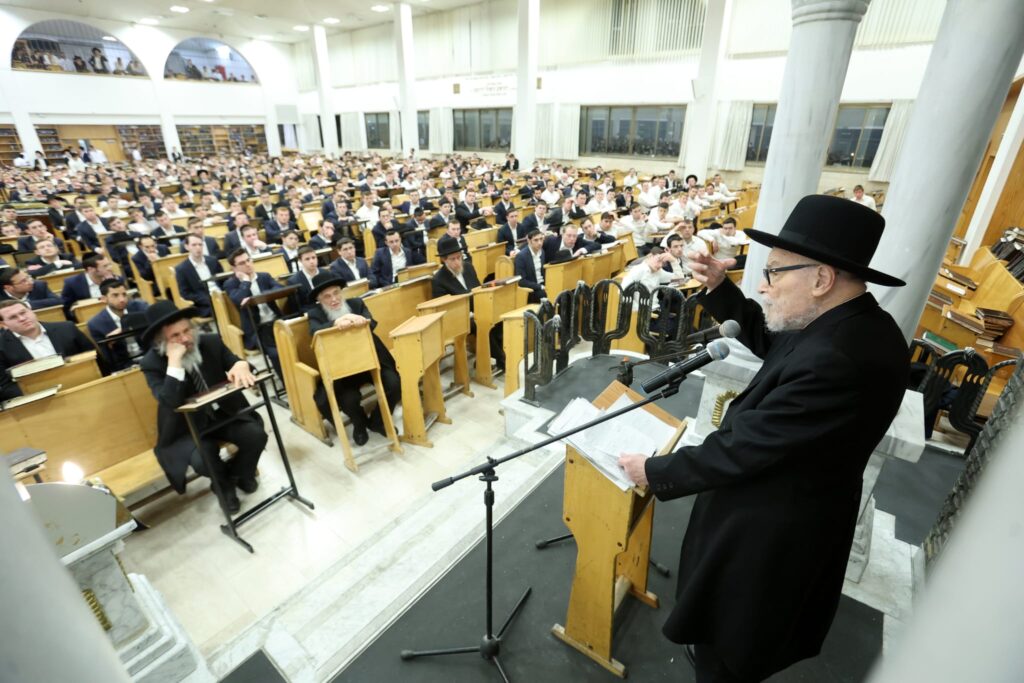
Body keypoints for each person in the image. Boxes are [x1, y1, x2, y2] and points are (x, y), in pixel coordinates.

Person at [617, 195, 910, 683]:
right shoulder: (846, 322)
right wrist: (720, 289)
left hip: (771, 539)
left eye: (774, 273)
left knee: (731, 651)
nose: (763, 285)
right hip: (778, 515)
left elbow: (745, 447)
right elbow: (780, 345)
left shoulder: (841, 359)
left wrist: (654, 471)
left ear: (821, 279)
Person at [138, 301, 266, 514]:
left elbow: (237, 364)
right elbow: (169, 401)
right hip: (186, 428)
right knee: (203, 460)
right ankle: (224, 488)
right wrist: (174, 363)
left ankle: (234, 476)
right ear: (162, 342)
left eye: (187, 330)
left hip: (223, 414)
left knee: (256, 435)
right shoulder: (151, 364)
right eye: (175, 336)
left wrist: (242, 364)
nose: (185, 339)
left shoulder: (210, 342)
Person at [307, 273, 401, 446]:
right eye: (327, 296)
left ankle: (378, 421)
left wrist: (357, 319)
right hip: (344, 369)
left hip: (372, 359)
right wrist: (337, 322)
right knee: (349, 400)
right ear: (319, 300)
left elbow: (371, 323)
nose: (334, 299)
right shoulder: (315, 314)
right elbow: (315, 332)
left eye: (336, 293)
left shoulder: (356, 303)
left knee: (394, 384)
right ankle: (360, 424)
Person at [432, 236, 504, 371]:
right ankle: (501, 359)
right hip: (457, 318)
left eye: (459, 257)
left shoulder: (468, 267)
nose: (458, 262)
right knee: (482, 323)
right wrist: (471, 313)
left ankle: (492, 355)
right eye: (452, 259)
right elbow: (444, 309)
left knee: (498, 316)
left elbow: (479, 290)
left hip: (477, 309)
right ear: (443, 260)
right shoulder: (439, 280)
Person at [0, 300, 94, 401]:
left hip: (83, 386)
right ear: (3, 324)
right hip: (40, 401)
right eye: (13, 317)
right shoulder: (2, 346)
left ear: (31, 311)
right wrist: (39, 392)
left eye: (23, 312)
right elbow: (5, 386)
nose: (22, 318)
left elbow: (94, 358)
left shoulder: (67, 328)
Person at [223, 250, 282, 378]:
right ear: (234, 268)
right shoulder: (231, 284)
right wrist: (245, 282)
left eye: (248, 260)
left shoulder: (264, 276)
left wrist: (258, 297)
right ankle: (289, 385)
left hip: (276, 322)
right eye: (242, 263)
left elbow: (279, 288)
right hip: (257, 329)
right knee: (276, 354)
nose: (248, 264)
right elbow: (238, 299)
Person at [86, 279, 148, 371]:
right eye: (115, 295)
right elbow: (110, 359)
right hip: (125, 367)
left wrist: (123, 329)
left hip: (150, 356)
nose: (122, 299)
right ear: (104, 299)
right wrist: (108, 343)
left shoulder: (140, 307)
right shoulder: (95, 324)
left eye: (124, 294)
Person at [174, 234, 223, 317]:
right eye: (194, 245)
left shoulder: (213, 261)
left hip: (221, 295)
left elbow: (223, 281)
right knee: (219, 309)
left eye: (200, 244)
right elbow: (185, 293)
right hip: (204, 303)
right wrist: (208, 299)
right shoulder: (181, 269)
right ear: (186, 247)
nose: (198, 248)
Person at [61, 253, 115, 318]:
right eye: (105, 266)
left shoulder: (115, 279)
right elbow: (66, 309)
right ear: (90, 269)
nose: (110, 268)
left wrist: (112, 283)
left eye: (109, 265)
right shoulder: (72, 283)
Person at [287, 246, 328, 312]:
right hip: (312, 312)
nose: (312, 261)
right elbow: (298, 307)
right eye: (307, 259)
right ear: (300, 261)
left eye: (313, 258)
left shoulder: (326, 273)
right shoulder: (293, 281)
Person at [514, 230, 546, 303]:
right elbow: (521, 281)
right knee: (542, 294)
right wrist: (539, 286)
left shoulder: (542, 252)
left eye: (541, 239)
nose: (540, 243)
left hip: (542, 284)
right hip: (532, 289)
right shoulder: (521, 256)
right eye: (536, 240)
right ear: (529, 241)